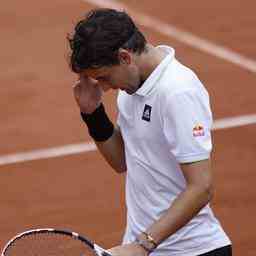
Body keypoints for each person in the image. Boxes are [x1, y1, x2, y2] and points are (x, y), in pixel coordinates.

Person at [68, 8, 232, 256]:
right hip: (148, 246)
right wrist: (93, 114)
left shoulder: (177, 92)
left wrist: (143, 243)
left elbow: (202, 187)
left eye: (103, 77)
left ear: (124, 57)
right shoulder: (133, 88)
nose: (104, 87)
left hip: (189, 251)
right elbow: (122, 161)